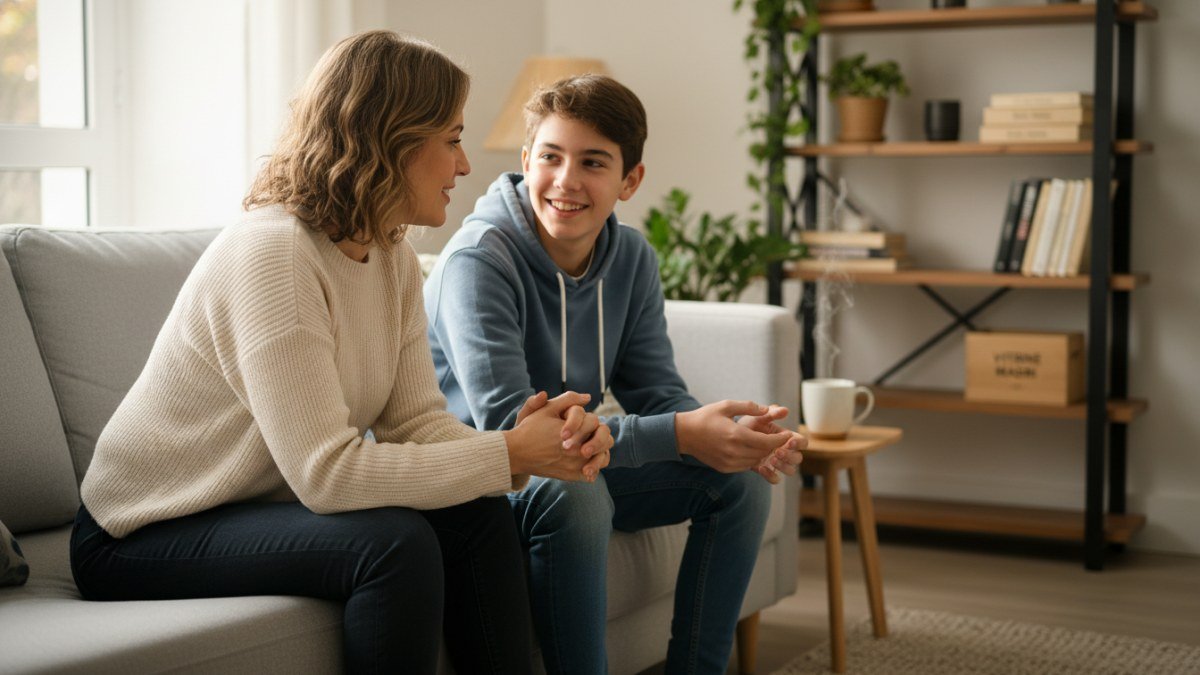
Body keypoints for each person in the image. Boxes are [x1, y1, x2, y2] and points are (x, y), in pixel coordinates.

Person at [70, 31, 612, 675]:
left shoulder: (391, 256)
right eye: (451, 140)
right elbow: (325, 475)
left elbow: (415, 424)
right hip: (139, 530)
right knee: (395, 545)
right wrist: (508, 454)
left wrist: (518, 447)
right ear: (393, 140)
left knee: (476, 512)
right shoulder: (275, 255)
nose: (465, 165)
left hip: (251, 508)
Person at [423, 74, 806, 674]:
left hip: (569, 462)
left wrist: (727, 436)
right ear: (525, 161)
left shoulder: (631, 257)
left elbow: (655, 390)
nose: (566, 180)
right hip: (485, 477)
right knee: (575, 491)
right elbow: (513, 431)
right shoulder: (477, 263)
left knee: (740, 481)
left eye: (593, 162)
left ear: (630, 180)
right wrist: (680, 434)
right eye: (550, 157)